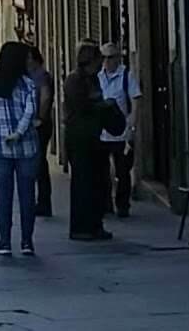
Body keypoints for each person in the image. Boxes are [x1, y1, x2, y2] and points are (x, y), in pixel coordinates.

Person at [0, 41, 42, 256]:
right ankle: (27, 242)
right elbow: (31, 112)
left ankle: (4, 241)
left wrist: (1, 121)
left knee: (3, 194)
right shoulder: (29, 85)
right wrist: (19, 132)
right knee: (27, 194)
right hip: (27, 147)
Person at [61, 41, 113, 241]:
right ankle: (81, 227)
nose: (101, 63)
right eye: (98, 59)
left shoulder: (93, 80)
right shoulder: (74, 80)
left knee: (98, 181)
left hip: (94, 136)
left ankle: (95, 223)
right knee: (83, 182)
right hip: (79, 138)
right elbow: (83, 107)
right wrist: (102, 106)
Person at [96, 42, 141, 217]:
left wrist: (132, 125)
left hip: (121, 133)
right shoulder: (98, 77)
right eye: (104, 57)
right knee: (103, 171)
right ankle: (106, 203)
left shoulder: (126, 76)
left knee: (123, 171)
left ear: (118, 58)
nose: (107, 61)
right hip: (102, 133)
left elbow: (136, 101)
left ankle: (123, 205)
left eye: (111, 57)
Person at [28, 46, 55, 219]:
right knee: (37, 163)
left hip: (40, 125)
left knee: (38, 163)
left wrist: (40, 118)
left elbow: (46, 97)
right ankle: (41, 201)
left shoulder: (42, 76)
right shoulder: (31, 76)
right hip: (34, 124)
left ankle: (44, 202)